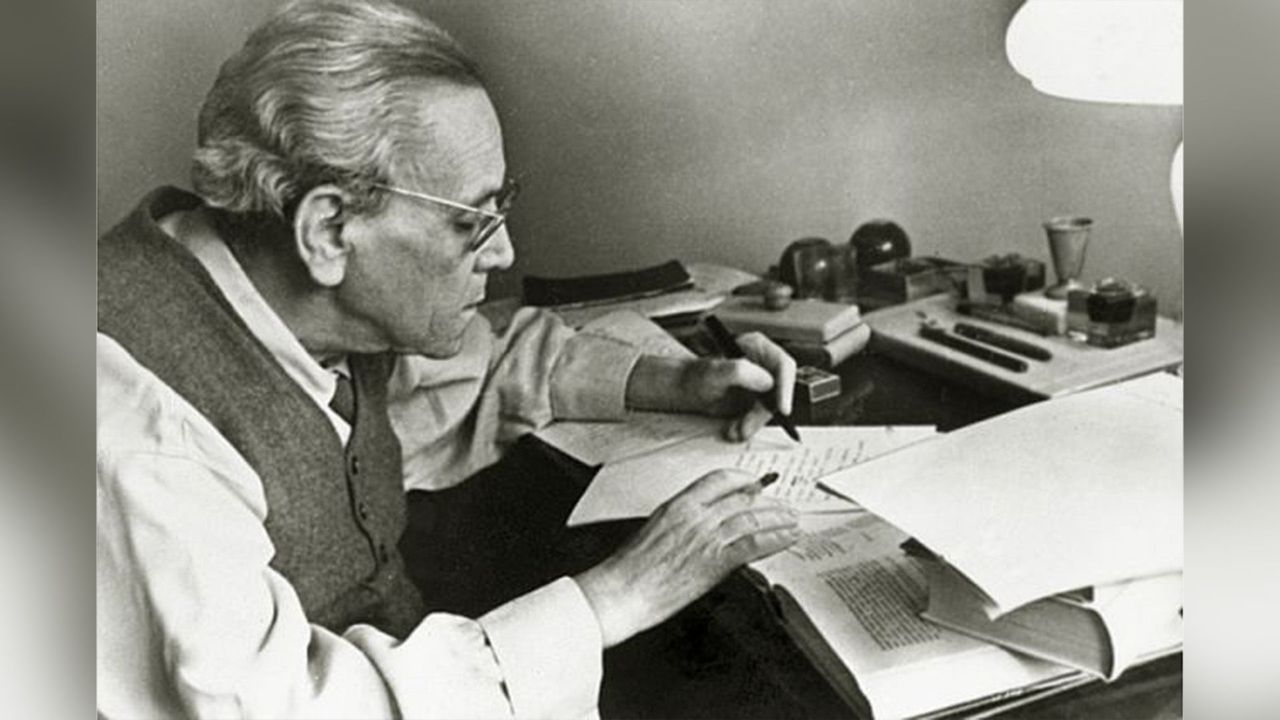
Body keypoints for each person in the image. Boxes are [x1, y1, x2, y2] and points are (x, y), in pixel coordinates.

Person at [96, 1, 800, 717]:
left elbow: (477, 370)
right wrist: (621, 594)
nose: (505, 254)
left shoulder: (298, 301)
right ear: (330, 229)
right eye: (472, 222)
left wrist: (682, 379)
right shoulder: (138, 427)